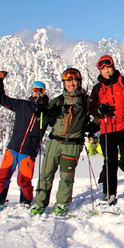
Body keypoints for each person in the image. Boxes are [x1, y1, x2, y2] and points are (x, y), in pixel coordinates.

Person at [31, 68, 98, 215]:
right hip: (54, 142)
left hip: (73, 144)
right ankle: (39, 202)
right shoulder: (58, 100)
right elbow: (43, 119)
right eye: (68, 81)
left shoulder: (86, 101)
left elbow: (98, 114)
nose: (71, 83)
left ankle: (62, 203)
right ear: (64, 83)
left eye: (74, 80)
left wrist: (94, 125)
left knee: (66, 177)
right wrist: (40, 111)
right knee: (46, 174)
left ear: (79, 81)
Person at [0, 71, 49, 211]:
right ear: (32, 91)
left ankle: (26, 201)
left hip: (29, 151)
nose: (38, 93)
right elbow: (1, 99)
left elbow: (55, 120)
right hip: (13, 148)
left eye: (41, 91)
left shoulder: (46, 111)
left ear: (44, 93)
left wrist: (45, 108)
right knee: (2, 176)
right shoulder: (22, 105)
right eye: (35, 90)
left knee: (24, 180)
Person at [88, 54, 124, 205]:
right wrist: (99, 110)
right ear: (99, 71)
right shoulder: (97, 88)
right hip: (107, 129)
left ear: (113, 66)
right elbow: (91, 108)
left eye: (108, 67)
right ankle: (109, 193)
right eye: (102, 68)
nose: (106, 71)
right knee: (109, 161)